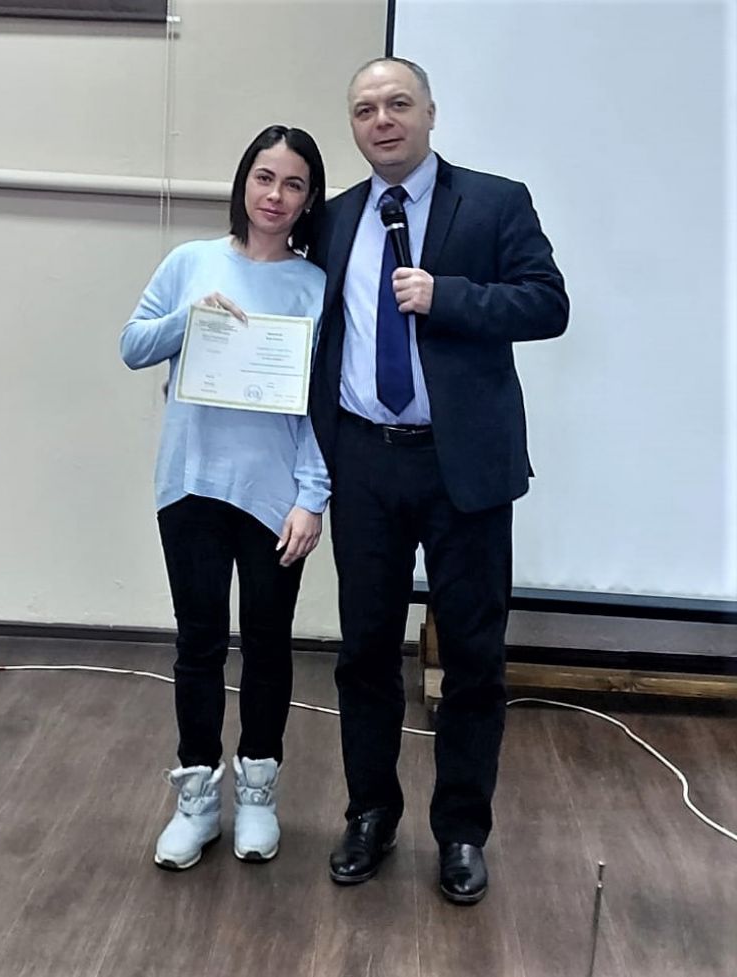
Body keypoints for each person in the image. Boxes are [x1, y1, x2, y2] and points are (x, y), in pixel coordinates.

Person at [309, 58, 569, 904]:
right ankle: (370, 814)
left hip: (463, 466)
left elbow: (548, 304)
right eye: (364, 109)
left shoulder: (494, 202)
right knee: (364, 653)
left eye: (398, 104)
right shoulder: (336, 217)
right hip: (365, 461)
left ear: (429, 113)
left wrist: (446, 295)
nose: (381, 120)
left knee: (473, 658)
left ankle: (461, 830)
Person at [120, 125, 329, 870]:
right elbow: (132, 345)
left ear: (309, 200)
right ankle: (197, 799)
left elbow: (322, 407)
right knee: (199, 644)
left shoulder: (315, 285)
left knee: (268, 645)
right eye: (264, 178)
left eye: (294, 184)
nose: (275, 195)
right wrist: (191, 319)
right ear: (244, 182)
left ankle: (259, 795)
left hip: (275, 497)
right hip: (190, 485)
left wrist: (313, 496)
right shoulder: (190, 262)